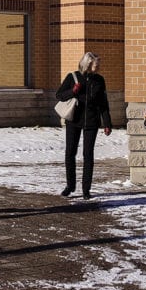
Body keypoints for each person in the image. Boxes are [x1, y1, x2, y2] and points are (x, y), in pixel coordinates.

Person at [55, 52, 112, 199]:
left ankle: (86, 189)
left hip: (92, 121)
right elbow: (59, 95)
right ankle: (70, 185)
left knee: (88, 155)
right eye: (95, 65)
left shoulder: (99, 80)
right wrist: (72, 91)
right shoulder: (72, 77)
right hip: (74, 120)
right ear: (87, 64)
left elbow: (103, 103)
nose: (98, 67)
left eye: (98, 65)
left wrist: (107, 123)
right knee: (70, 153)